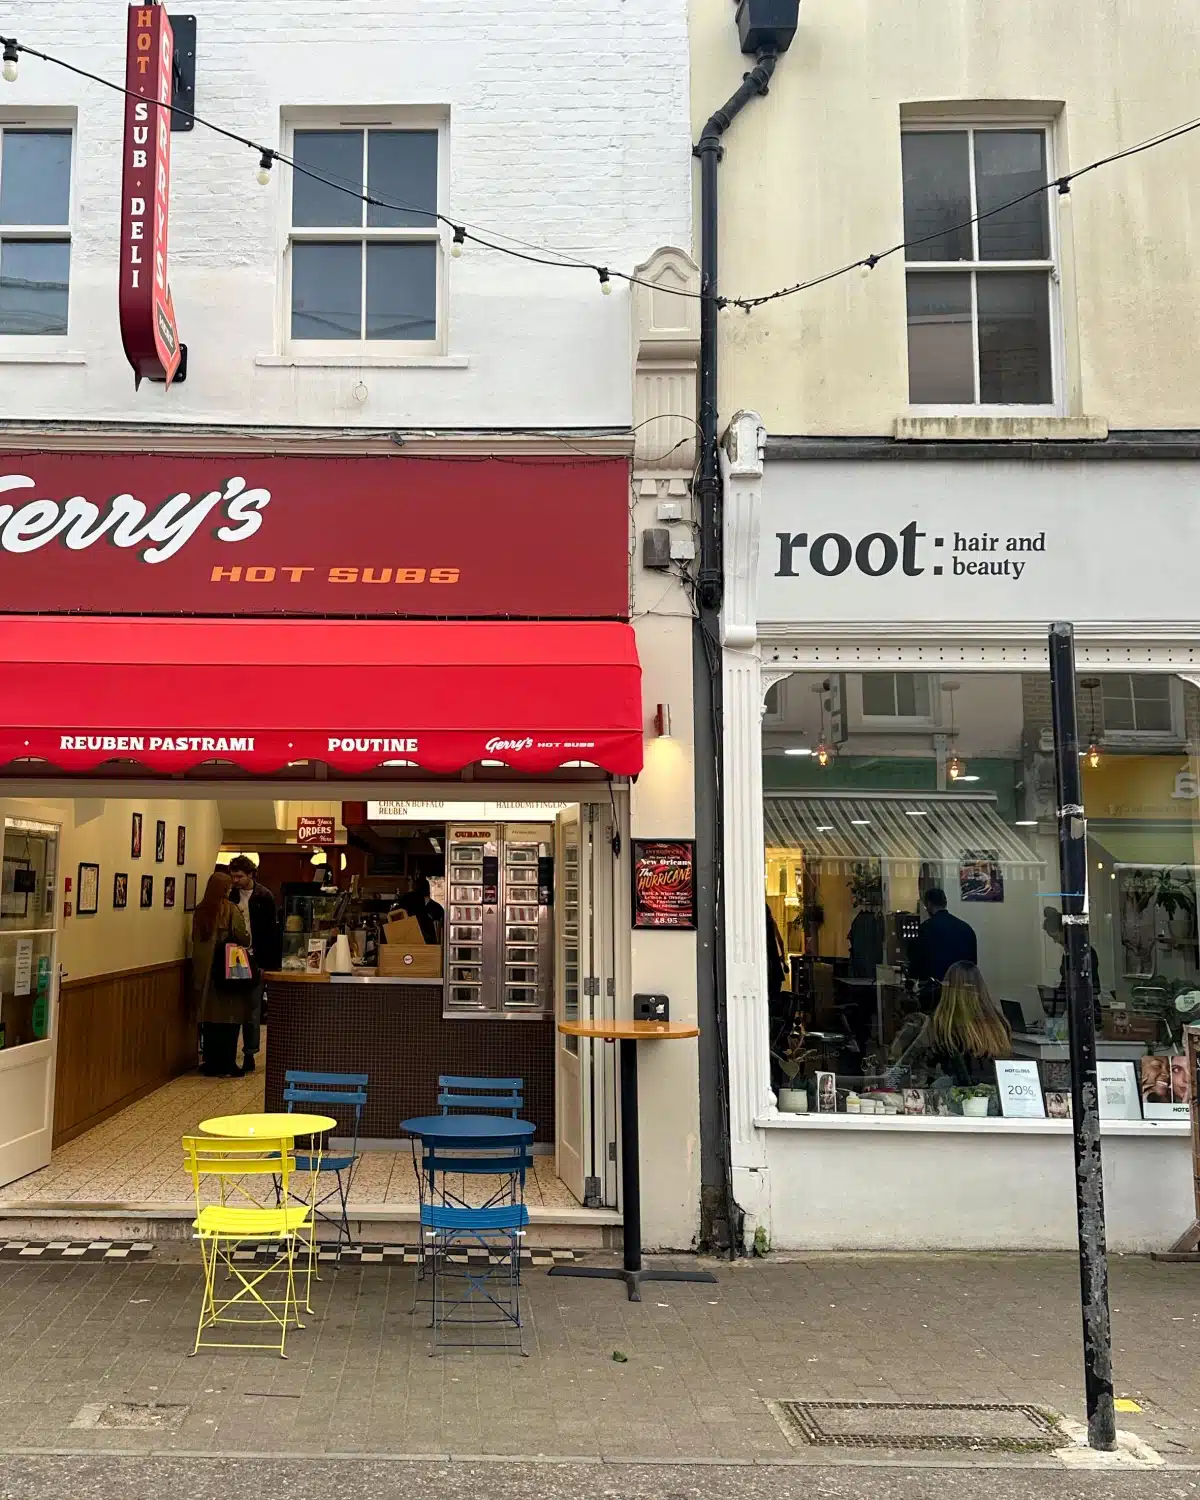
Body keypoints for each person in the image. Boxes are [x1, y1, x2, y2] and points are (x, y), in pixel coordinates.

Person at [888, 961, 1011, 1088]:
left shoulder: (942, 1024)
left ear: (948, 989)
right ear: (981, 987)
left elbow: (911, 1061)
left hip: (954, 1094)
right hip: (994, 1094)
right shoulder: (999, 1023)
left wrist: (890, 1081)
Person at [191, 871, 255, 1078]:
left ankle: (211, 1062)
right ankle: (228, 1063)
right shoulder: (230, 909)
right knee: (230, 1017)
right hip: (227, 970)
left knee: (209, 1019)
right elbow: (243, 937)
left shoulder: (200, 910)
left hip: (203, 972)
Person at [227, 855, 281, 1073]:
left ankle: (249, 1052)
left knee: (253, 1007)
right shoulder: (230, 895)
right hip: (233, 955)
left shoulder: (264, 896)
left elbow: (270, 932)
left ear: (250, 875)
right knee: (233, 1005)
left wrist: (267, 963)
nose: (236, 881)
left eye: (239, 876)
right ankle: (230, 1054)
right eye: (233, 877)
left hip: (255, 956)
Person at [1042, 907, 1102, 1026]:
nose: (1055, 941)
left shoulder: (1083, 953)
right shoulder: (1070, 953)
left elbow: (1086, 987)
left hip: (1086, 1013)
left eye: (1055, 937)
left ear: (1065, 932)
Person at [909, 888, 977, 992]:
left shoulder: (926, 928)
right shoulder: (966, 928)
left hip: (935, 989)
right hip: (963, 988)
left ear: (928, 904)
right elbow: (972, 964)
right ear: (945, 902)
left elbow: (917, 962)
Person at [400, 874, 445, 945]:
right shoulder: (436, 907)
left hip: (407, 940)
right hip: (429, 943)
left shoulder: (407, 899)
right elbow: (442, 923)